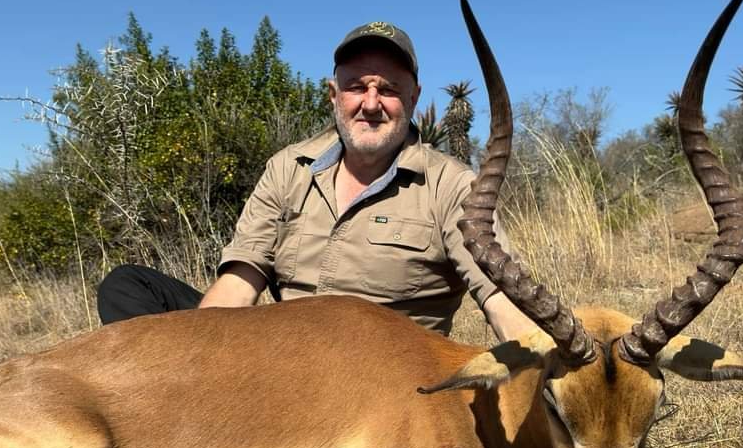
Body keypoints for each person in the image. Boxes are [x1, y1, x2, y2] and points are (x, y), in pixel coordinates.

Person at [97, 20, 536, 342]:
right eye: (357, 87)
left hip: (380, 384)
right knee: (128, 286)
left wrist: (542, 361)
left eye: (388, 89)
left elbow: (499, 297)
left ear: (414, 98)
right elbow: (241, 282)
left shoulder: (451, 186)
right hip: (282, 355)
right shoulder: (288, 167)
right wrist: (206, 354)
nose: (370, 103)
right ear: (333, 95)